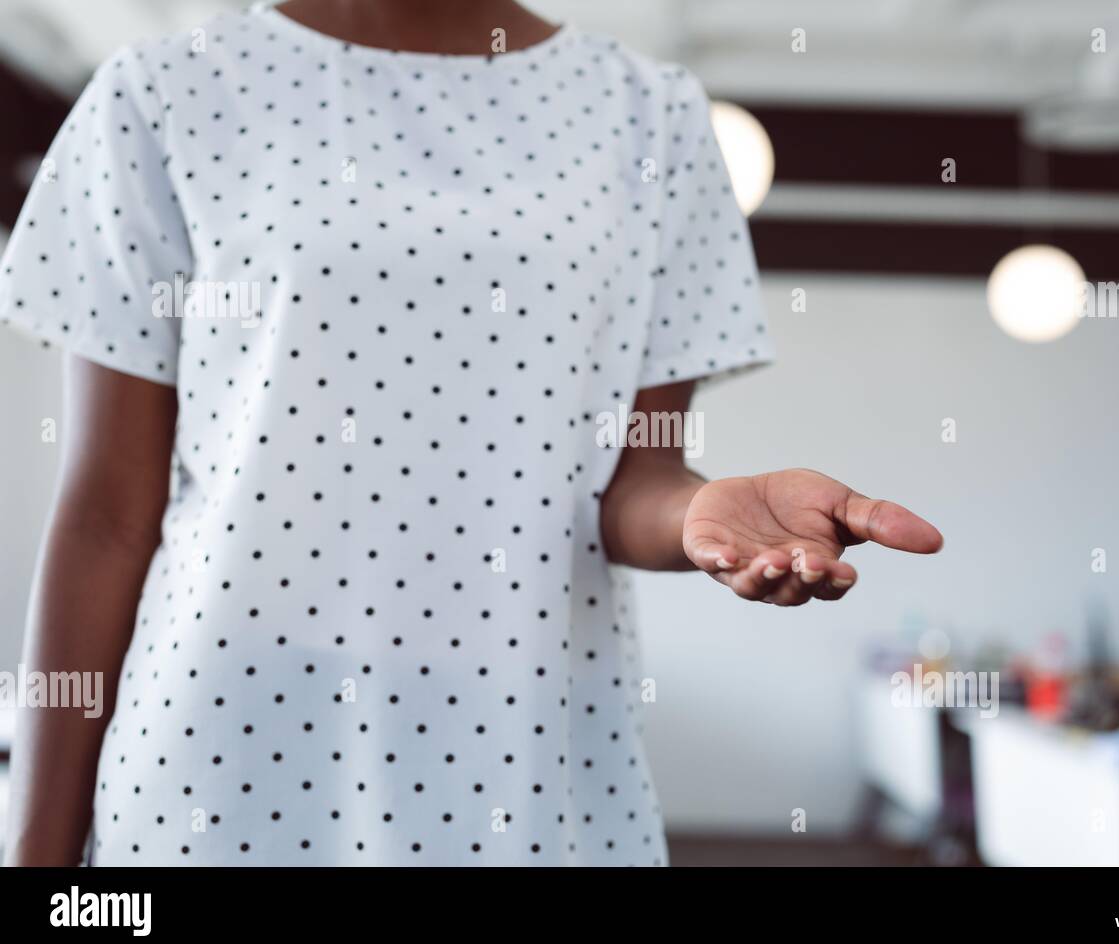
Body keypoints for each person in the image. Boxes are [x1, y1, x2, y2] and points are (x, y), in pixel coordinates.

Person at [0, 0, 941, 866]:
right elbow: (108, 516)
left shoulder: (652, 116)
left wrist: (704, 512)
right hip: (219, 753)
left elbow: (630, 487)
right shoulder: (165, 92)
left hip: (530, 752)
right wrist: (37, 862)